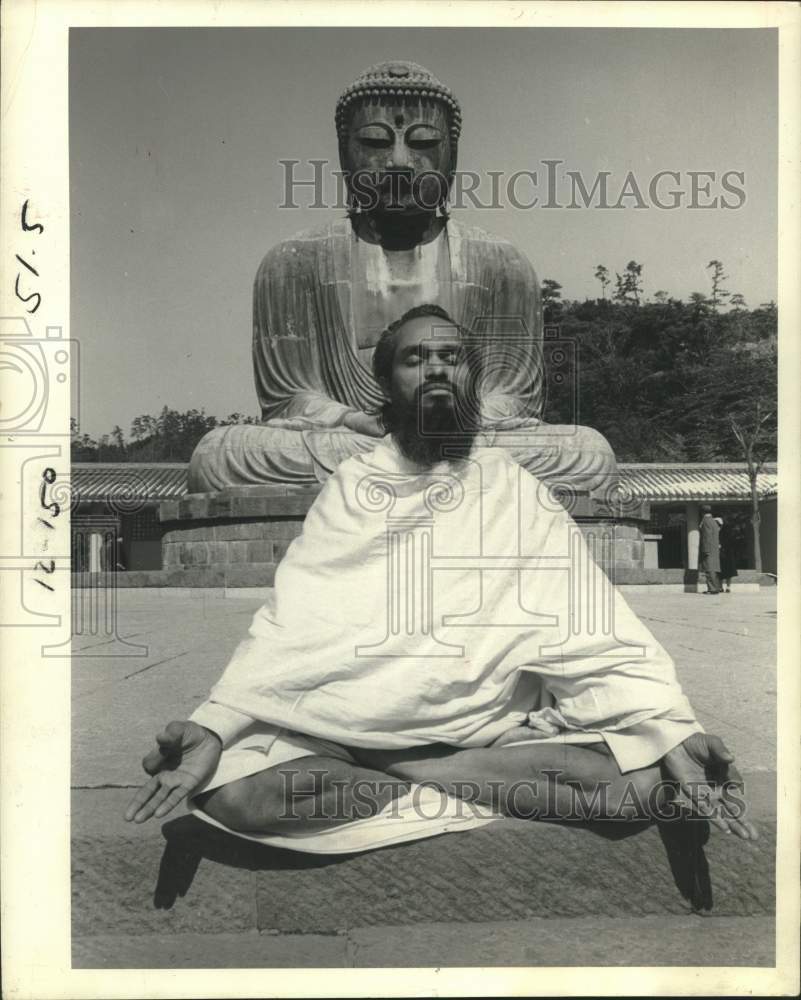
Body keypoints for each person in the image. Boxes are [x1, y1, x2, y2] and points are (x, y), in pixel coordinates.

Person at [126, 306, 756, 849]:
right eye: (412, 359)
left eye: (452, 356)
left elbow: (592, 625)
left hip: (487, 728)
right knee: (240, 798)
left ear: (475, 377)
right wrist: (215, 724)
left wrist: (672, 729)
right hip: (349, 728)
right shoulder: (350, 488)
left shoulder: (516, 488)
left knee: (636, 793)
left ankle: (409, 767)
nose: (434, 369)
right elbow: (294, 625)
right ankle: (431, 769)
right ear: (385, 385)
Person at [188, 60, 615, 494]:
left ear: (451, 156)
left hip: (460, 438)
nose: (398, 162)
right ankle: (427, 474)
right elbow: (288, 400)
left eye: (424, 143)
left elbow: (515, 398)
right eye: (374, 142)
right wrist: (352, 418)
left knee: (587, 452)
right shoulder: (293, 263)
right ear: (343, 154)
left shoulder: (502, 264)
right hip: (356, 438)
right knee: (221, 454)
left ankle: (405, 471)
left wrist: (453, 417)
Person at [699, 505, 722, 594]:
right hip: (715, 548)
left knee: (709, 569)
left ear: (702, 512)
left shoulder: (705, 521)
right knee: (714, 569)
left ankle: (712, 589)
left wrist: (705, 549)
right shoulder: (713, 521)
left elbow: (706, 536)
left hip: (708, 548)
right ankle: (716, 587)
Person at [718, 518, 738, 593]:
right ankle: (724, 587)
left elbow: (729, 542)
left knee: (725, 572)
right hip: (725, 554)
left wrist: (721, 546)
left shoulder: (723, 532)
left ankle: (724, 587)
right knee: (724, 572)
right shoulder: (721, 532)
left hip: (725, 554)